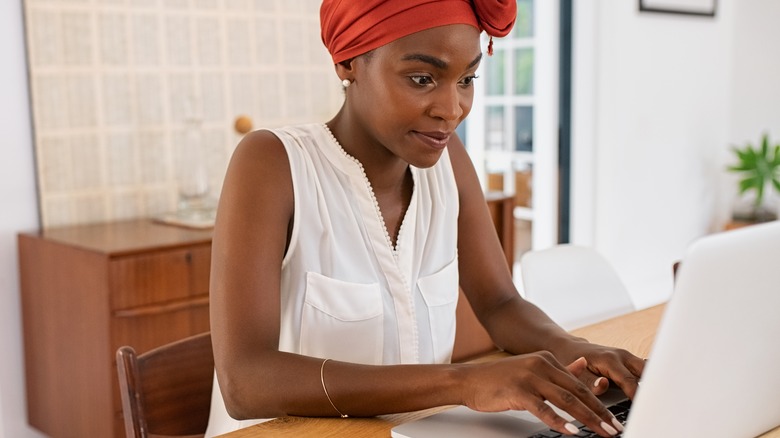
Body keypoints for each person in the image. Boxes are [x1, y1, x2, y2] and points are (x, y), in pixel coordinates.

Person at [205, 1, 644, 437]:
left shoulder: (449, 160)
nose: (452, 109)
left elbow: (500, 303)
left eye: (467, 79)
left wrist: (577, 350)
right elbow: (245, 382)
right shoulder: (272, 164)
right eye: (422, 79)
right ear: (347, 62)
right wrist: (465, 382)